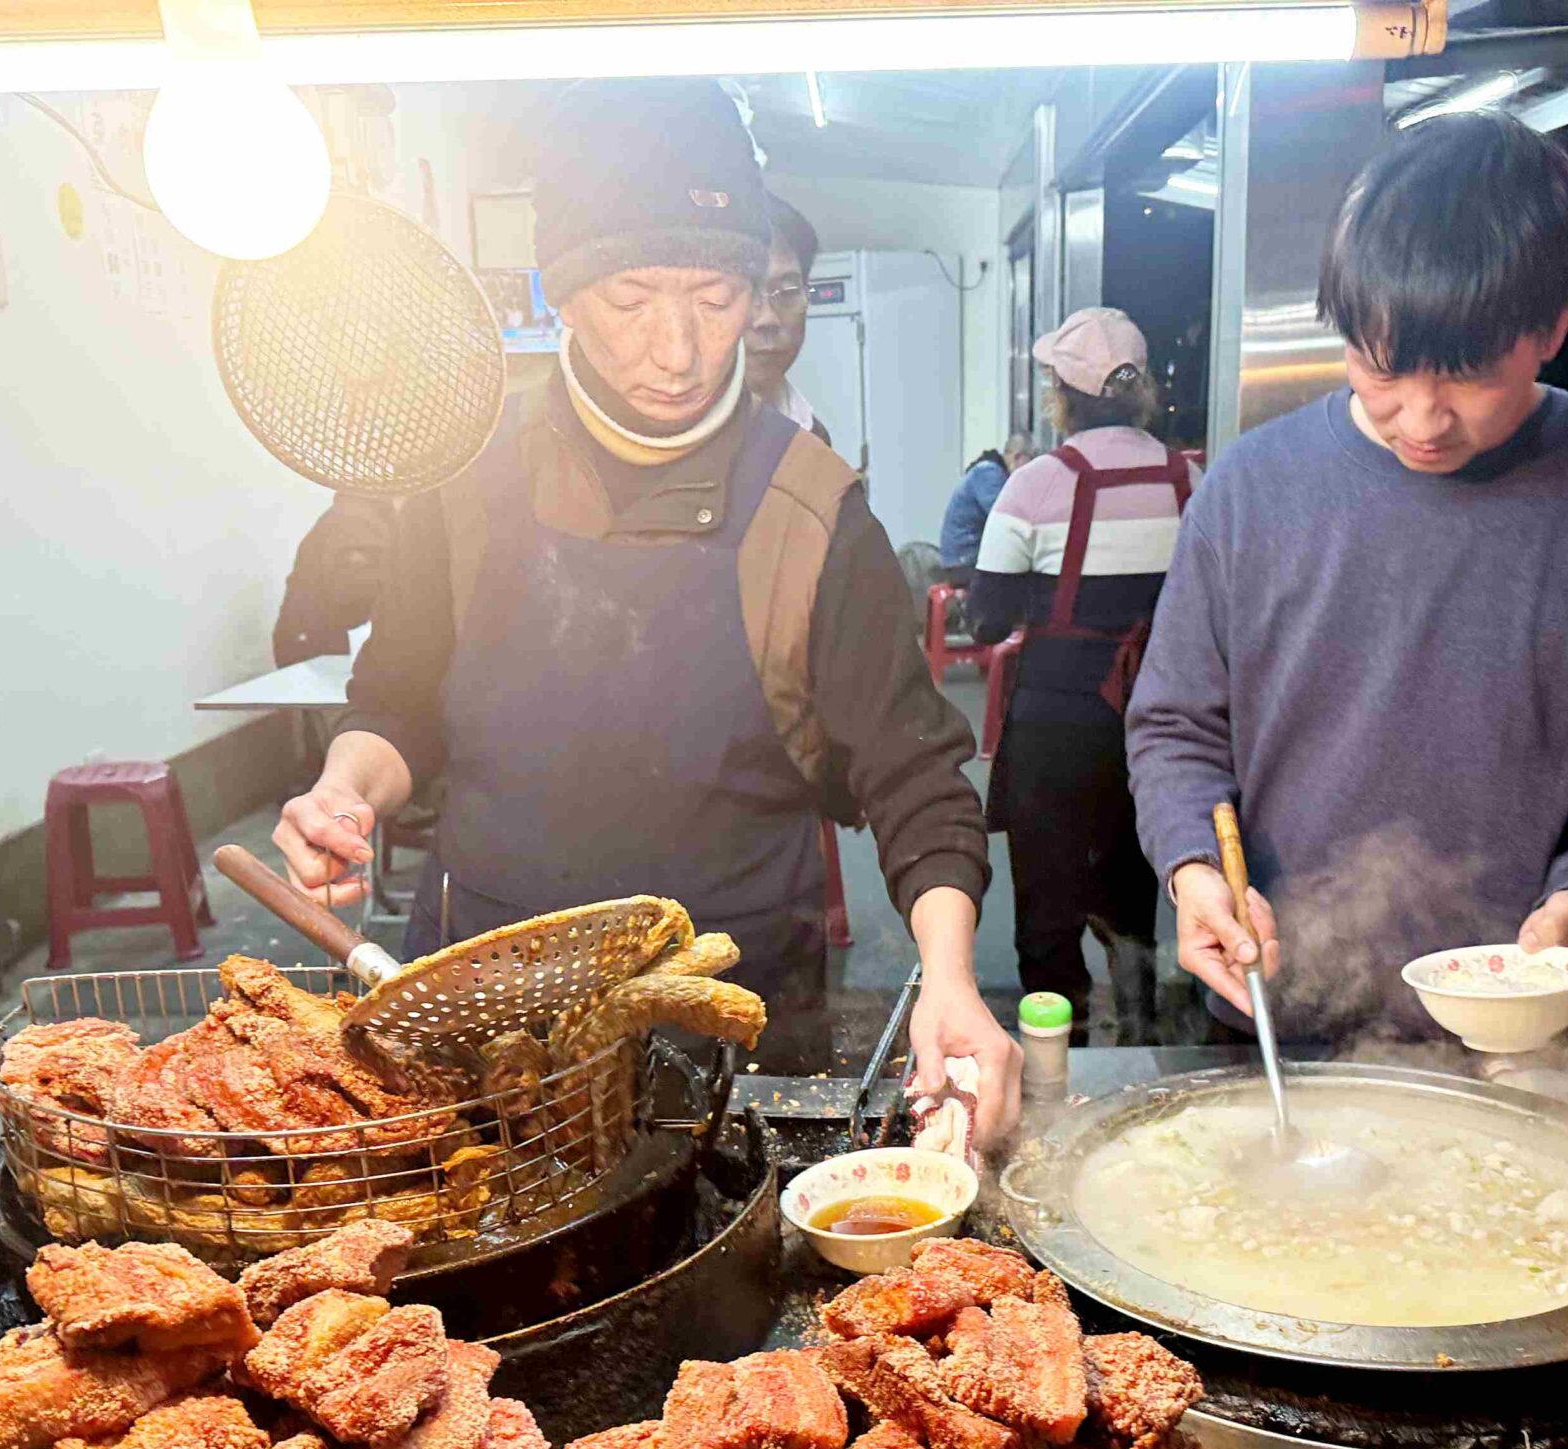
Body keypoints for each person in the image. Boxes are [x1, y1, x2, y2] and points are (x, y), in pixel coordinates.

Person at [273, 78, 1019, 1131]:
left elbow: (914, 779)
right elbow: (396, 706)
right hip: (481, 1022)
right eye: (631, 300)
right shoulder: (463, 484)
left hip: (727, 1029)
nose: (677, 349)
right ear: (564, 294)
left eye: (717, 300)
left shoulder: (811, 509)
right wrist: (344, 790)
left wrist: (948, 976)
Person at [1125, 113, 1568, 1042]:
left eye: (1468, 378)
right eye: (1381, 369)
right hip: (1274, 1017)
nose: (1422, 420)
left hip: (1519, 1032)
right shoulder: (1246, 491)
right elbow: (1176, 725)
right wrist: (1195, 868)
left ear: (1551, 325)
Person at [968, 309, 1194, 1043]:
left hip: (1057, 726)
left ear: (1061, 396)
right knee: (1134, 900)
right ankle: (1141, 1048)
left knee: (1049, 910)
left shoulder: (1034, 486)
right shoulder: (1188, 479)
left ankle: (1056, 1057)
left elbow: (987, 621)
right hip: (1157, 723)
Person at [271, 494, 396, 668]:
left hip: (318, 650)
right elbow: (354, 594)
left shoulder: (368, 514)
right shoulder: (357, 519)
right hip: (319, 656)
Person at [747, 193, 828, 445]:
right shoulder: (654, 446)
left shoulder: (813, 436)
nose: (768, 318)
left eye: (789, 291)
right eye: (747, 291)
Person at [936, 435, 1033, 587]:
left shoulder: (989, 471)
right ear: (1018, 457)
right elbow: (1006, 519)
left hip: (963, 558)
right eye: (1031, 462)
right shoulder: (989, 473)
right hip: (964, 562)